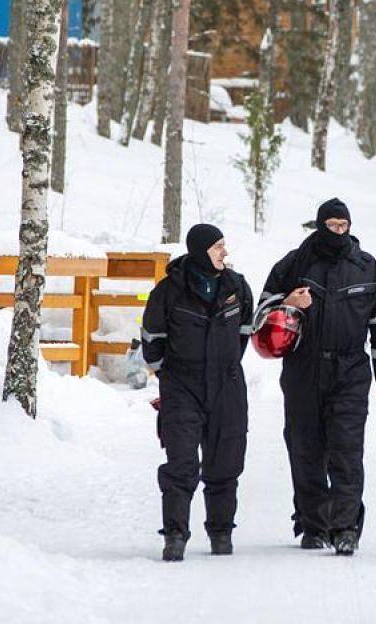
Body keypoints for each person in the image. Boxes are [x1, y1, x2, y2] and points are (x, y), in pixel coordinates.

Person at [261, 198, 376, 556]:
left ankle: (345, 527)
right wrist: (289, 302)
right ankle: (312, 524)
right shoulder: (294, 264)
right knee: (305, 449)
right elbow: (260, 315)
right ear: (320, 226)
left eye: (343, 226)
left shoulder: (367, 267)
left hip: (350, 370)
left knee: (346, 449)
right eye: (332, 226)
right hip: (303, 369)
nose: (338, 232)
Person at [141, 223, 254, 562]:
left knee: (226, 459)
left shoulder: (237, 287)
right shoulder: (169, 290)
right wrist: (171, 374)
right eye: (218, 246)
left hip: (227, 385)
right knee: (182, 461)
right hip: (182, 385)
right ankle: (175, 534)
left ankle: (221, 531)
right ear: (201, 249)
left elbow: (244, 332)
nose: (225, 252)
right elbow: (152, 341)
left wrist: (225, 364)